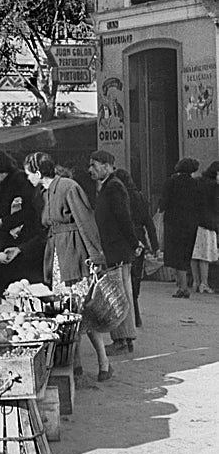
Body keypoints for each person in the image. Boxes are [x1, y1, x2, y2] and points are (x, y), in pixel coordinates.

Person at [24, 152, 111, 382]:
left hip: (74, 255)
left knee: (83, 313)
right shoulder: (43, 193)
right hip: (57, 257)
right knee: (67, 313)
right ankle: (76, 365)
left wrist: (96, 257)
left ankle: (104, 362)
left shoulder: (69, 187)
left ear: (38, 172)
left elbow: (86, 222)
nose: (27, 178)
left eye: (28, 173)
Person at [88, 150, 138, 356]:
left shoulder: (113, 187)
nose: (90, 169)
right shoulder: (108, 186)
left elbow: (123, 219)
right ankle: (123, 340)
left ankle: (122, 341)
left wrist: (134, 243)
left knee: (119, 296)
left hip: (117, 250)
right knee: (120, 294)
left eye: (94, 165)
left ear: (107, 166)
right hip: (116, 249)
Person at [0, 150, 44, 290]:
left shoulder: (21, 181)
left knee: (19, 286)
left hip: (23, 244)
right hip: (3, 244)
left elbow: (29, 212)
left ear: (1, 169)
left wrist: (3, 222)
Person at [115, 168, 158, 327]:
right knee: (135, 279)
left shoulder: (118, 196)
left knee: (124, 279)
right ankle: (136, 315)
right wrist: (154, 245)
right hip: (139, 237)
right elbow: (149, 222)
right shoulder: (139, 196)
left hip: (124, 240)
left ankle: (131, 317)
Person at [159, 157, 200, 298]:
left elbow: (163, 203)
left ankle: (182, 287)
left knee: (175, 255)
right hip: (190, 223)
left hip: (173, 223)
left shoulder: (171, 182)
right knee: (185, 254)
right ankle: (182, 285)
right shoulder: (196, 184)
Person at [191, 160, 219, 294]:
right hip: (208, 223)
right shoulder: (214, 186)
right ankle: (204, 283)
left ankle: (196, 282)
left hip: (194, 222)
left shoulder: (197, 181)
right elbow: (216, 205)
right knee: (205, 255)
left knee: (194, 254)